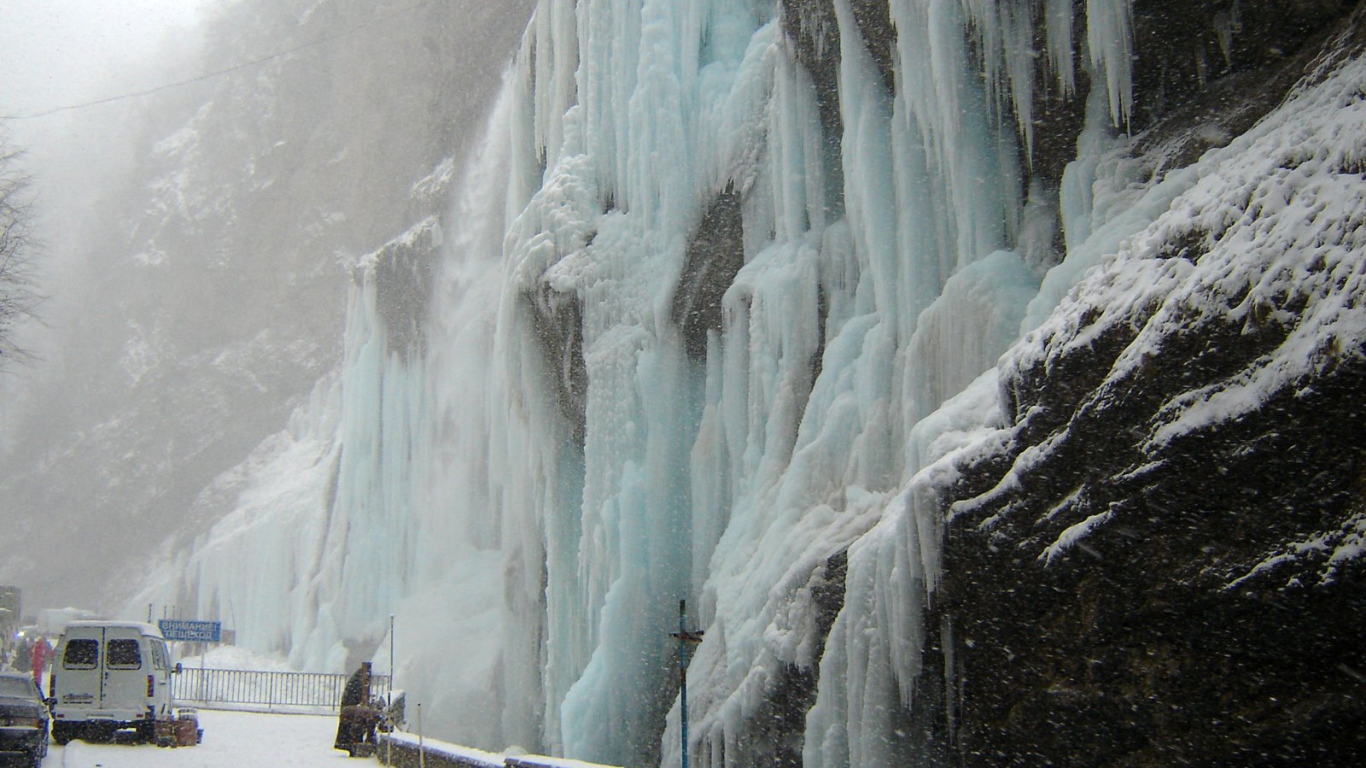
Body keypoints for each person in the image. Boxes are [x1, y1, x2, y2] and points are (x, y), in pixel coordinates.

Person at [334, 662, 380, 757]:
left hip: (349, 710)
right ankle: (350, 748)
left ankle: (349, 746)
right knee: (353, 731)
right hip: (349, 712)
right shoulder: (364, 715)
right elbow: (359, 728)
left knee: (350, 732)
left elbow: (369, 729)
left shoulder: (358, 678)